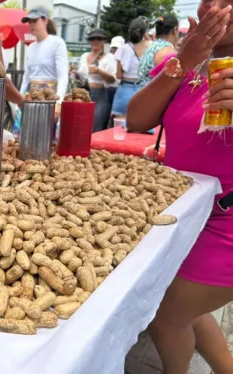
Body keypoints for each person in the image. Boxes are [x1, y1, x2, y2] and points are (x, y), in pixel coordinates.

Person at [127, 2, 233, 373]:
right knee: (187, 306)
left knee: (165, 313)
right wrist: (184, 61)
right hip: (183, 215)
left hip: (226, 224)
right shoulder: (186, 62)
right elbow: (137, 119)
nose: (221, 9)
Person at [20, 6, 69, 118]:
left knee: (46, 133)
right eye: (29, 22)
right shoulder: (31, 46)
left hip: (49, 97)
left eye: (35, 20)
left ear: (45, 20)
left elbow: (62, 75)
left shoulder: (57, 43)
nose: (31, 24)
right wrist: (20, 97)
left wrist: (59, 101)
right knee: (27, 133)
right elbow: (26, 77)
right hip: (31, 96)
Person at [78, 29, 116, 132]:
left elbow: (113, 79)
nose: (95, 41)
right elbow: (80, 75)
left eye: (98, 39)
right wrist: (74, 74)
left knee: (96, 128)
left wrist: (99, 71)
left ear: (103, 41)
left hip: (100, 95)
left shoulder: (109, 57)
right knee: (81, 127)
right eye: (92, 39)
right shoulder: (84, 56)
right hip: (83, 94)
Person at [111, 17, 148, 118]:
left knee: (119, 125)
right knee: (140, 122)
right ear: (144, 32)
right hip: (143, 88)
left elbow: (118, 75)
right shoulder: (150, 48)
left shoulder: (123, 49)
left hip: (125, 88)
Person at [138, 15, 179, 86]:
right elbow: (167, 83)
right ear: (175, 30)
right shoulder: (167, 51)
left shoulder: (152, 46)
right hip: (154, 95)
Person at [108, 36, 125, 112]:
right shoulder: (109, 58)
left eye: (117, 48)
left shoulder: (125, 59)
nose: (115, 50)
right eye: (114, 47)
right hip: (108, 89)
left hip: (119, 89)